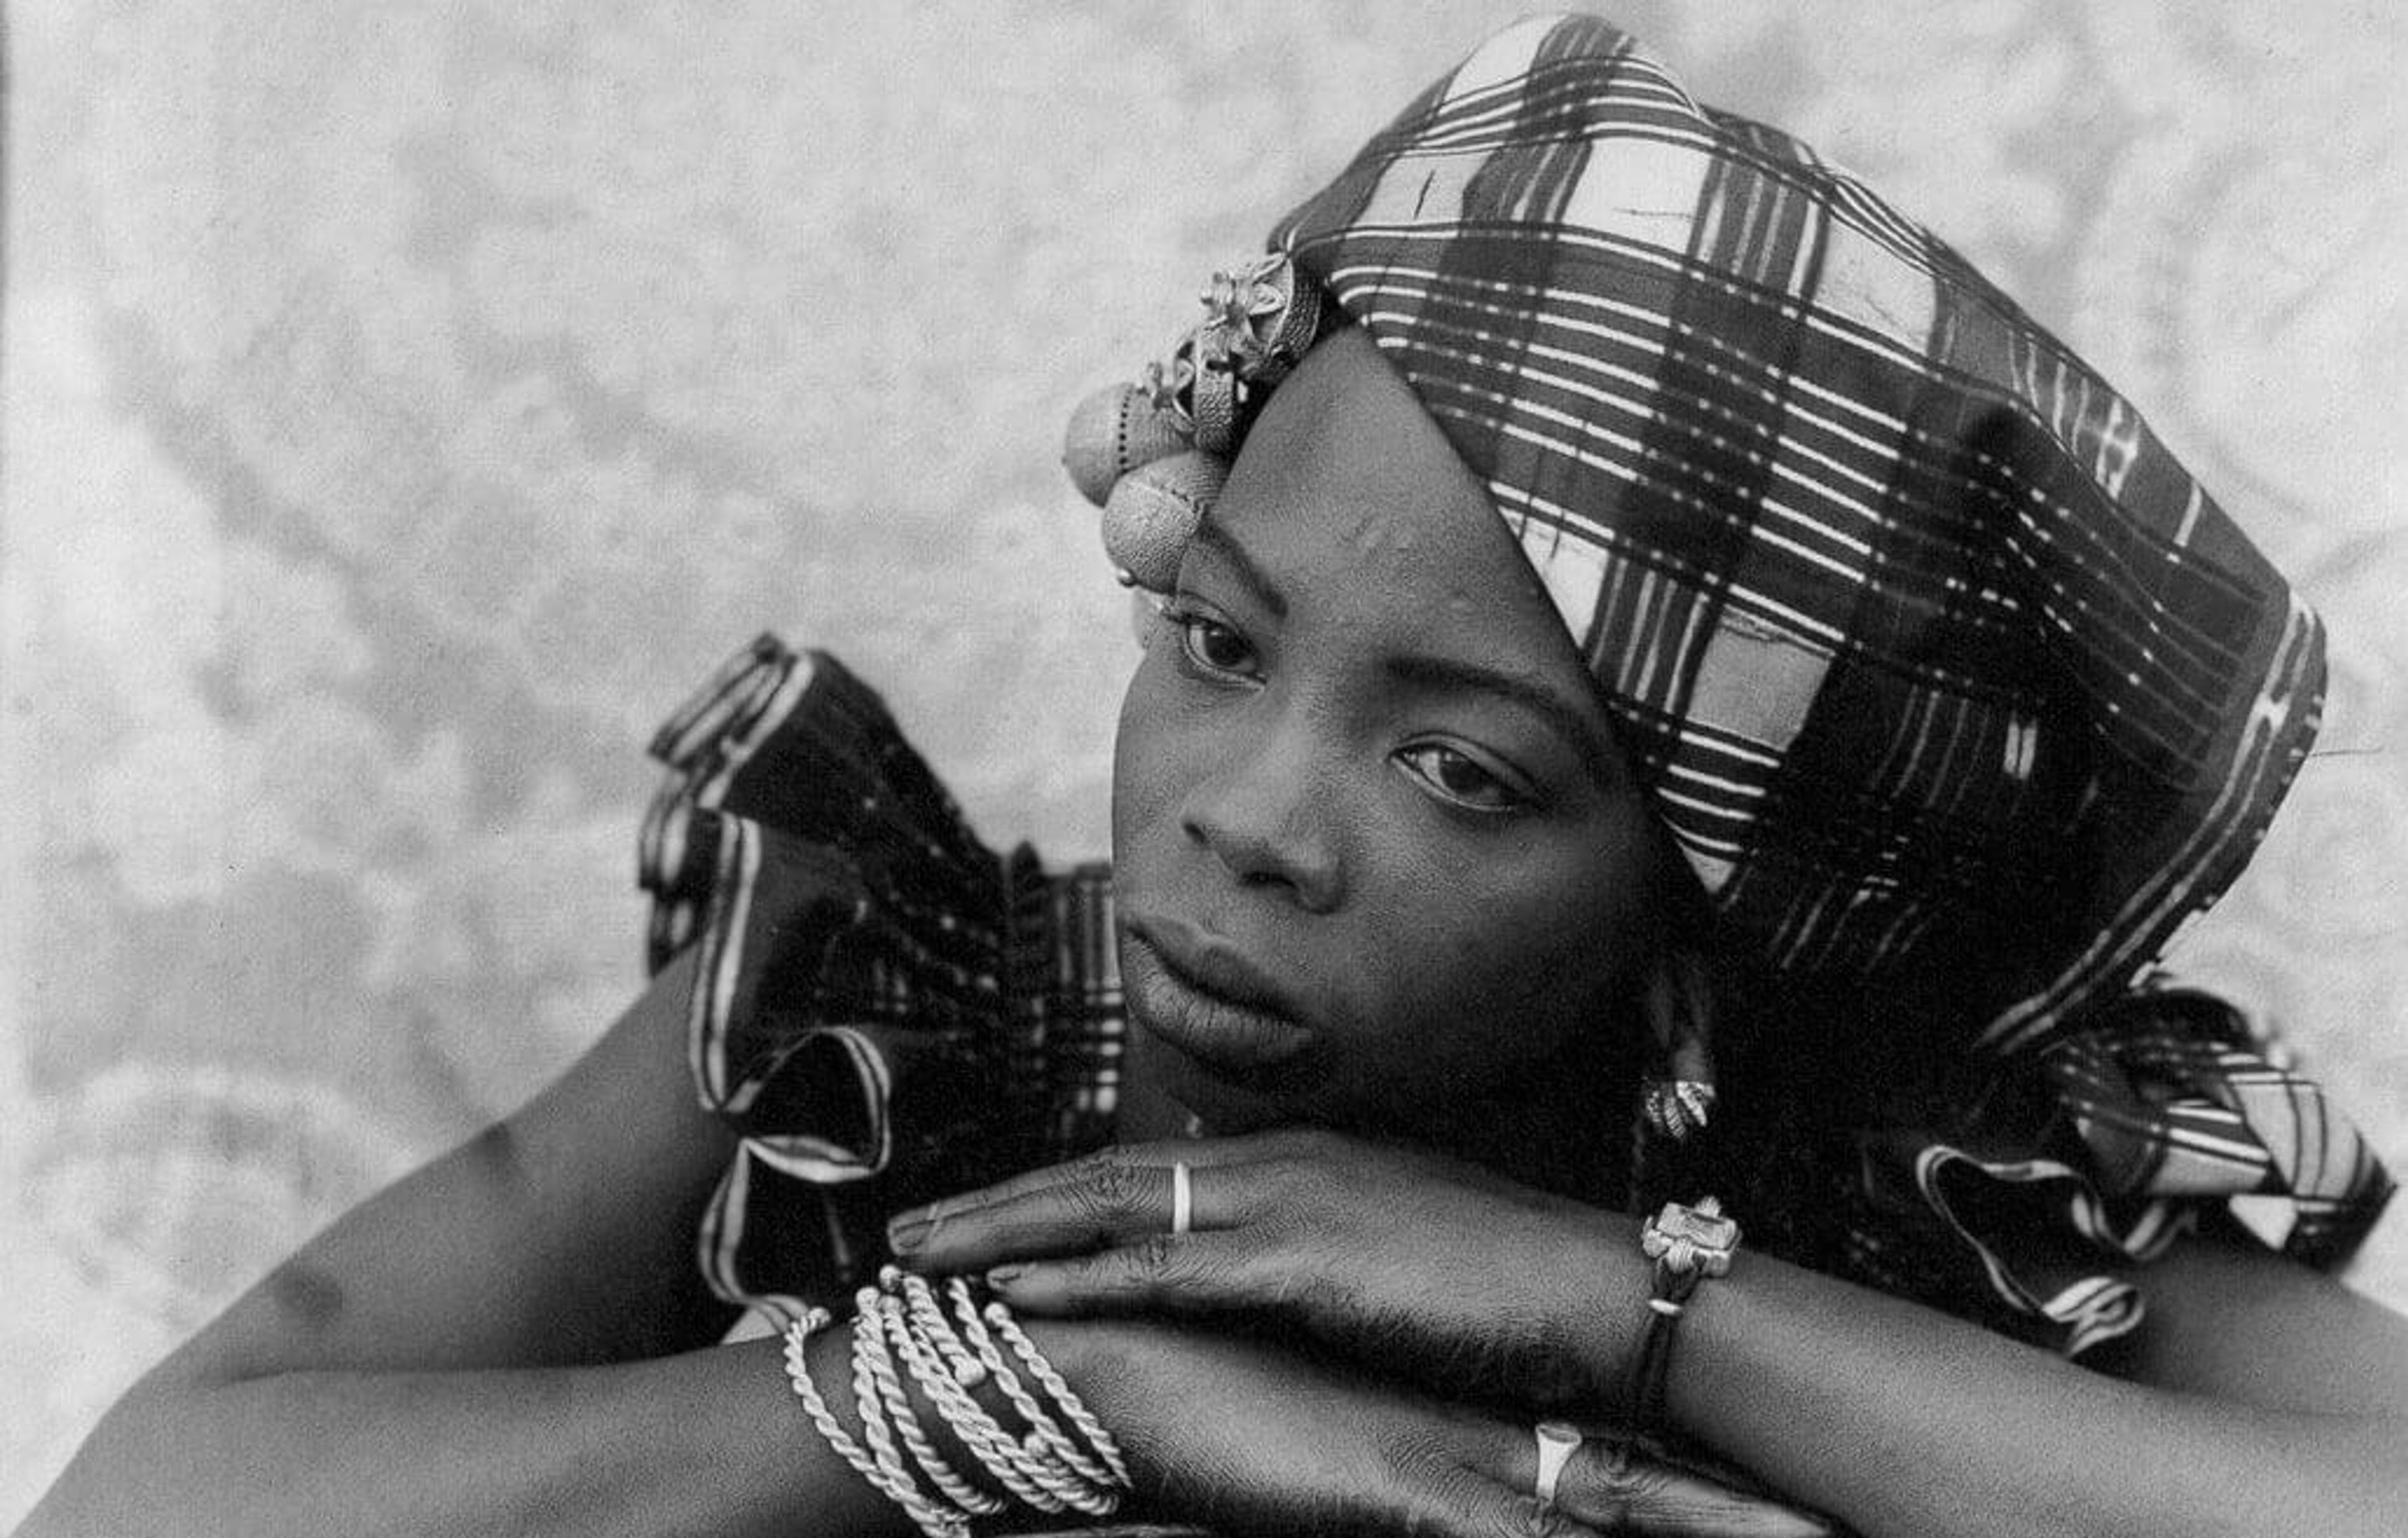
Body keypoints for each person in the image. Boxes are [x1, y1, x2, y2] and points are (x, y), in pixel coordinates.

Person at [22, 13, 2405, 1538]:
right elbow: (144, 1500)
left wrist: (1605, 1305)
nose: (1249, 809)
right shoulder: (911, 1016)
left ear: (1708, 885)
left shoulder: (1873, 1153)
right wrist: (1045, 1381)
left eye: (1464, 771)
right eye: (1217, 639)